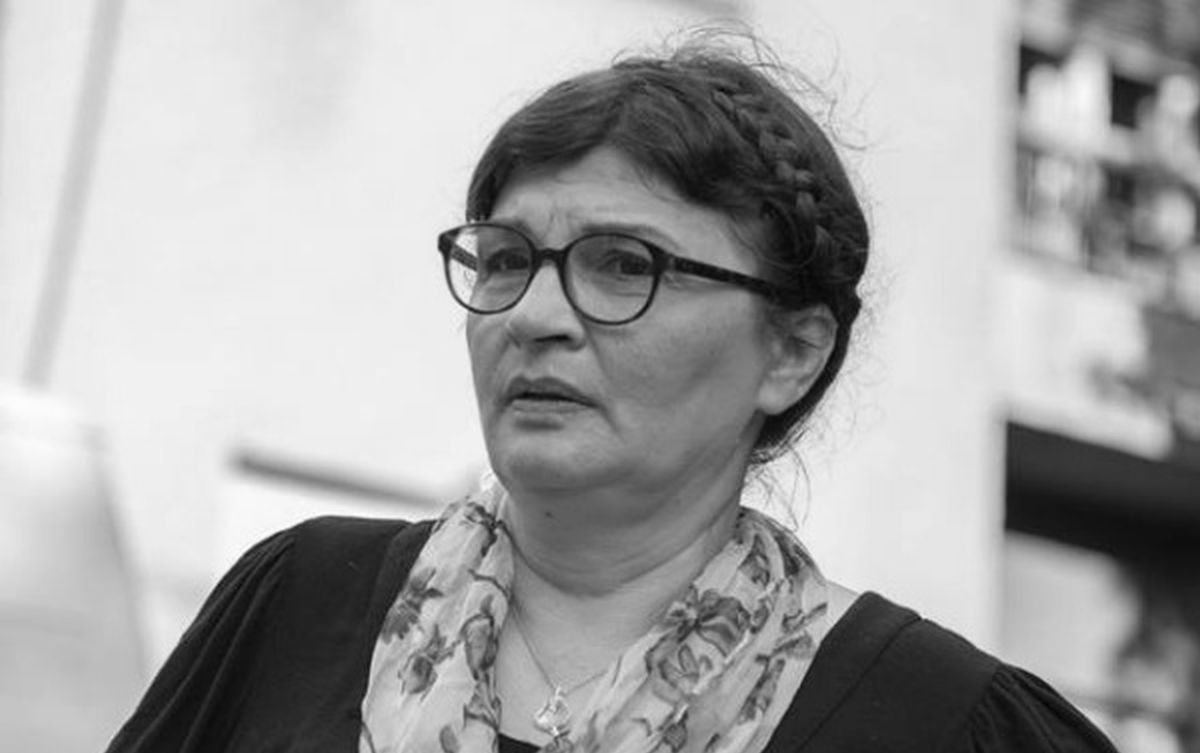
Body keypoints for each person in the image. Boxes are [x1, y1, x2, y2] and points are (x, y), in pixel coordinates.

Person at [106, 33, 1118, 753]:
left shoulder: (937, 721)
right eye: (507, 259)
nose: (535, 315)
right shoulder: (300, 609)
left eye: (625, 265)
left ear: (792, 352)